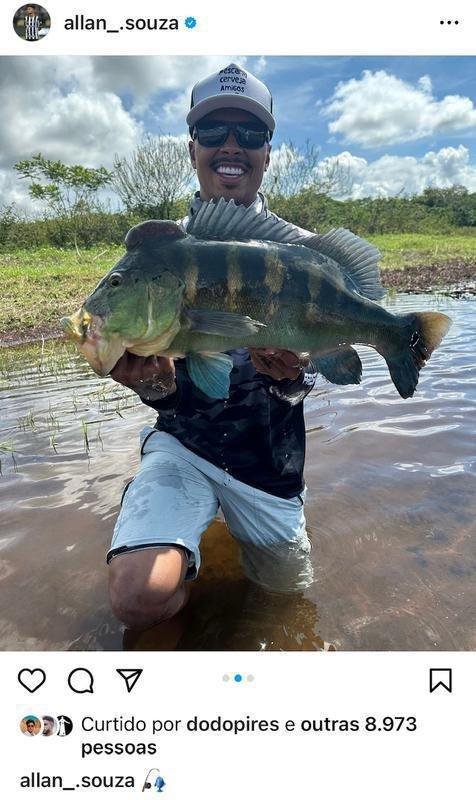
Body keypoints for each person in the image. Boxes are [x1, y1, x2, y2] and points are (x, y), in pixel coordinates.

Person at [108, 63, 318, 632]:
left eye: (249, 134)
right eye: (214, 133)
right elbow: (171, 390)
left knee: (285, 605)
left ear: (268, 152)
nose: (232, 146)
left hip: (269, 465)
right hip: (186, 446)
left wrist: (291, 376)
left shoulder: (302, 253)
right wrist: (151, 381)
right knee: (138, 598)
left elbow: (311, 377)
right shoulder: (161, 253)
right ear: (192, 147)